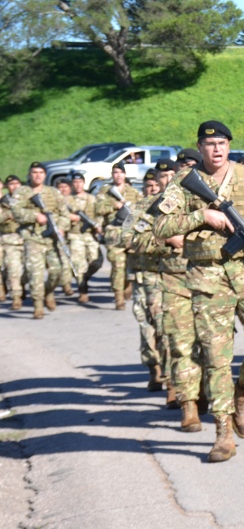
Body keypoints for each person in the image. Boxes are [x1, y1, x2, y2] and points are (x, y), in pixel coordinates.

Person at [153, 120, 244, 463]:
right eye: (210, 144)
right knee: (216, 358)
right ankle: (223, 431)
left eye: (222, 143)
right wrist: (202, 215)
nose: (217, 149)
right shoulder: (184, 183)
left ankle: (243, 396)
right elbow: (161, 226)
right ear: (199, 147)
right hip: (208, 277)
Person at [155, 159, 206, 432]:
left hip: (211, 281)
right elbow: (132, 237)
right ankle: (189, 405)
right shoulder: (158, 205)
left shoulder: (213, 200)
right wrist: (165, 239)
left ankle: (207, 393)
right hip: (175, 280)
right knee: (181, 344)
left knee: (212, 345)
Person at [123, 170, 168, 394]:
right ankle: (155, 370)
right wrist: (164, 240)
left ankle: (173, 379)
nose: (156, 186)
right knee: (147, 327)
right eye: (150, 183)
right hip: (144, 276)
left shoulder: (185, 205)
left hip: (172, 277)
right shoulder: (141, 208)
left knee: (166, 327)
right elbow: (123, 236)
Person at [11, 163, 70, 318]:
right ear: (29, 174)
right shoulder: (22, 192)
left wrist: (62, 227)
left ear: (45, 175)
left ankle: (48, 292)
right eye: (34, 172)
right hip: (33, 238)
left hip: (52, 239)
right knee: (35, 273)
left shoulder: (54, 193)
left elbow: (65, 214)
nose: (37, 175)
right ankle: (38, 306)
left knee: (57, 271)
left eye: (41, 172)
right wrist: (35, 216)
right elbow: (16, 212)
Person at [95, 161, 141, 309]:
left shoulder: (133, 192)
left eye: (121, 172)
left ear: (125, 175)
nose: (118, 175)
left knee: (130, 265)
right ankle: (118, 297)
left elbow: (141, 210)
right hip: (114, 232)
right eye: (115, 172)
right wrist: (114, 206)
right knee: (117, 266)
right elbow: (98, 208)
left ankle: (127, 286)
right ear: (112, 175)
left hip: (130, 233)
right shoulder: (105, 191)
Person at [67, 172, 103, 303]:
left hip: (90, 235)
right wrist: (69, 217)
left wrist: (97, 225)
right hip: (75, 235)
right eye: (75, 182)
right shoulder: (67, 200)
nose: (77, 185)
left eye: (80, 182)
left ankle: (85, 278)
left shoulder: (91, 199)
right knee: (79, 264)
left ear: (84, 183)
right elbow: (60, 214)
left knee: (97, 261)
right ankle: (83, 291)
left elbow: (99, 214)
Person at [0, 175, 26, 310]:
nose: (14, 187)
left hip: (29, 238)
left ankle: (21, 287)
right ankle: (16, 297)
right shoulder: (4, 201)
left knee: (29, 269)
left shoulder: (28, 198)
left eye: (17, 184)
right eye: (11, 184)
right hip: (11, 238)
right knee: (13, 269)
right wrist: (9, 214)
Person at [54, 178, 75, 297]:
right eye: (60, 187)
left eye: (65, 187)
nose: (63, 189)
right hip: (60, 235)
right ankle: (67, 285)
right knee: (64, 261)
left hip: (74, 235)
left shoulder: (74, 200)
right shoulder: (54, 201)